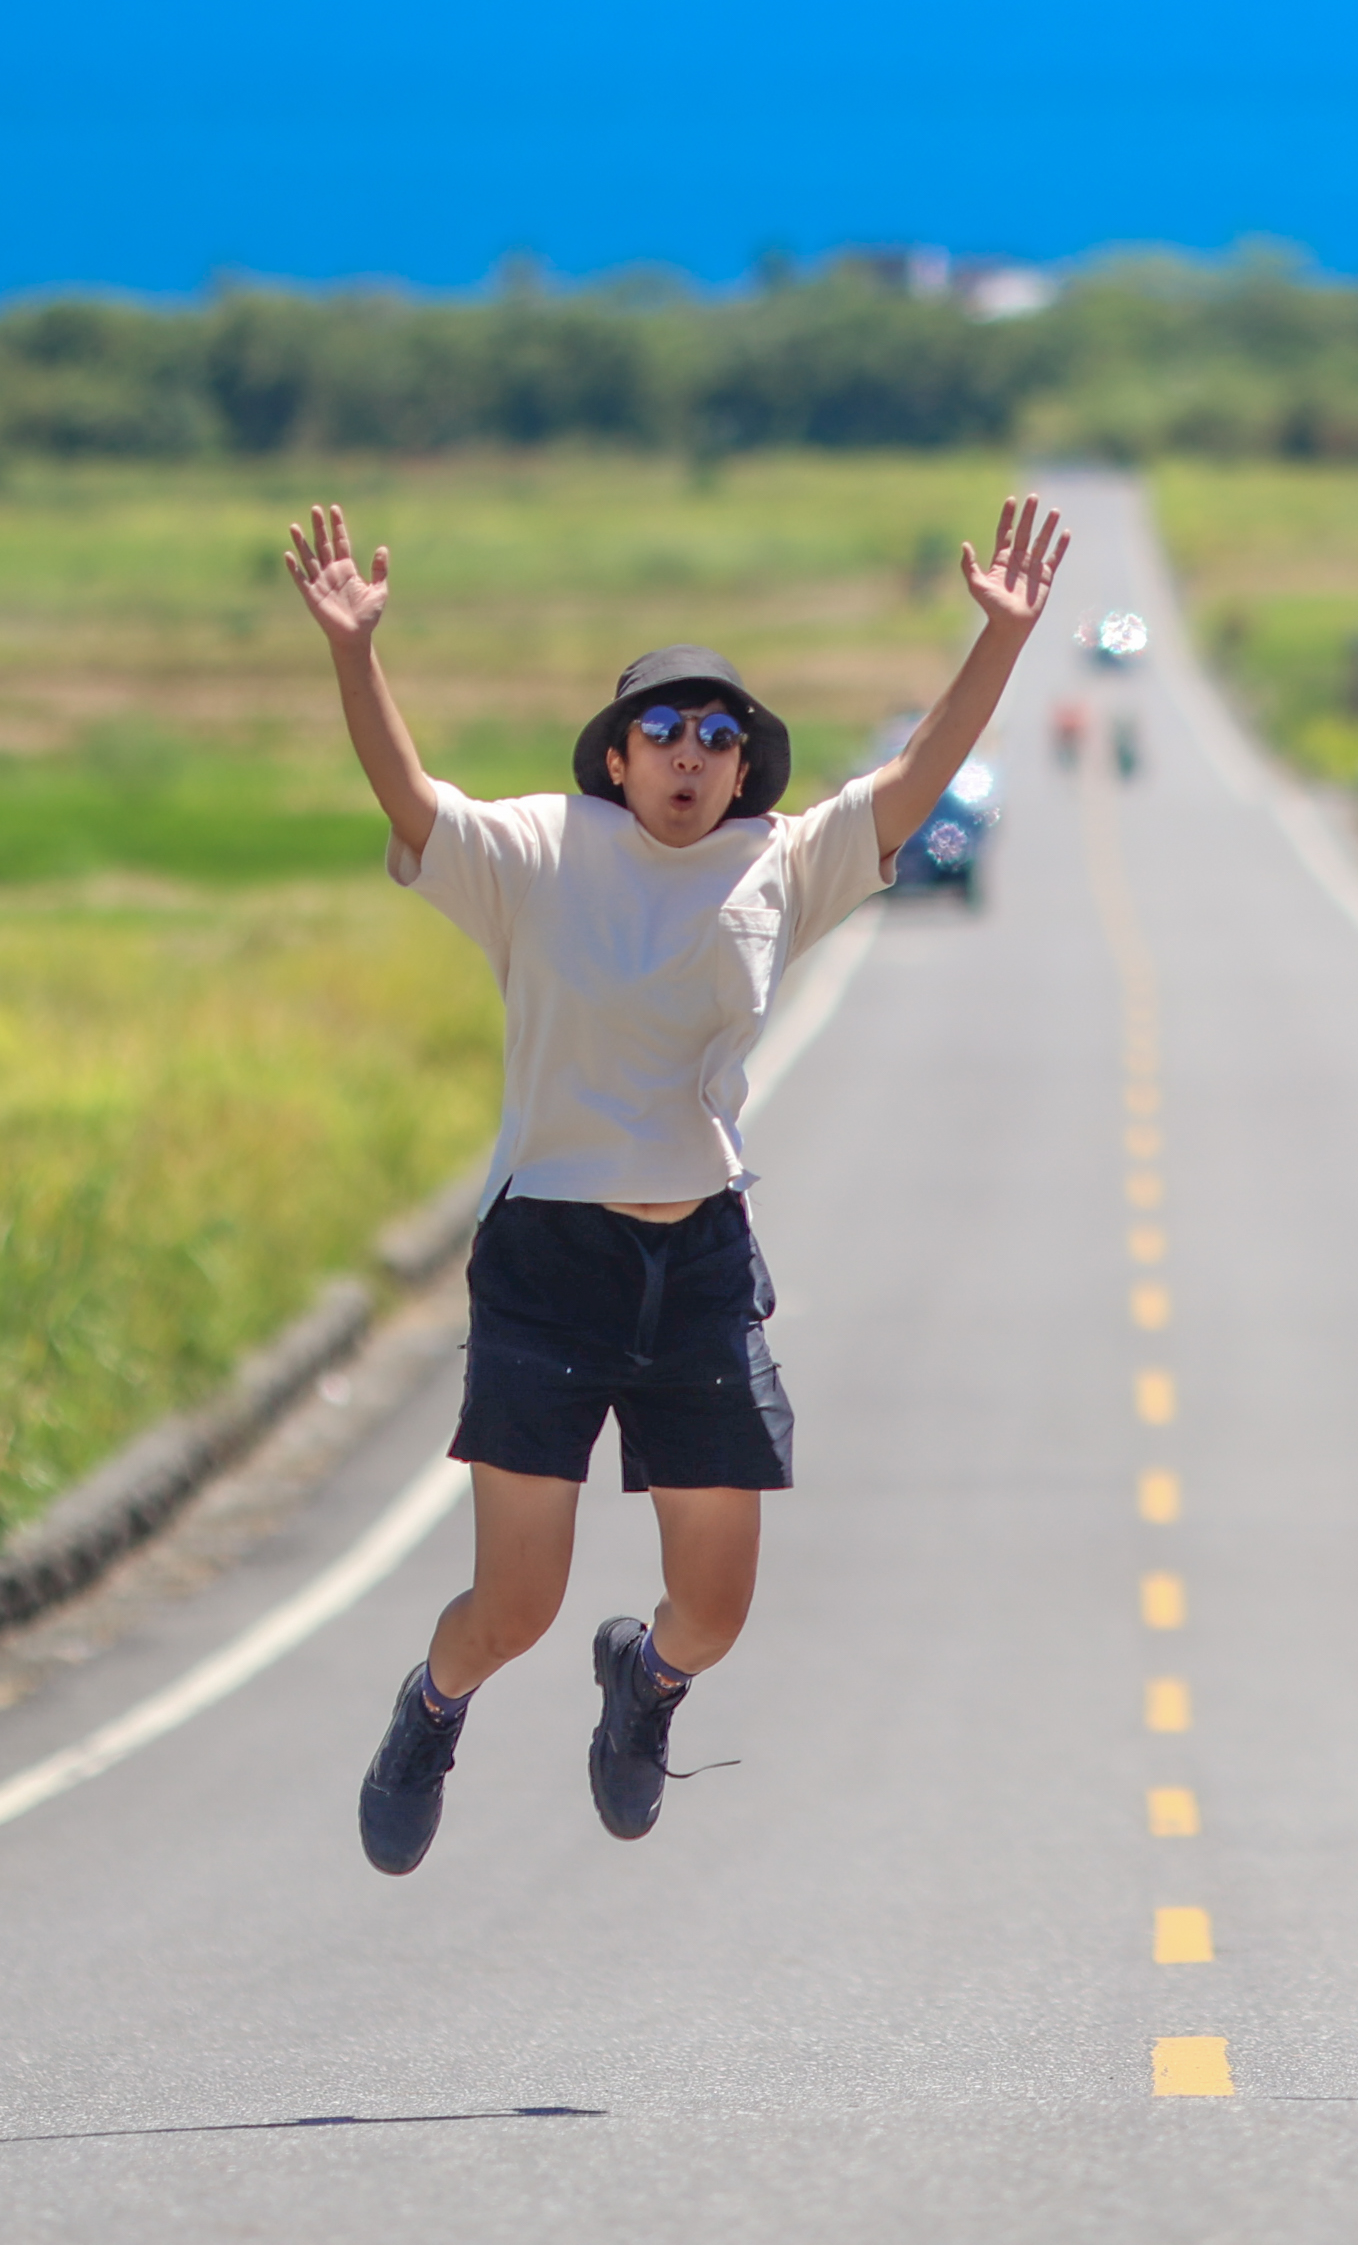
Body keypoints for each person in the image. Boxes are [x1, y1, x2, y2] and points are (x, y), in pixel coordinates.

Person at [282, 492, 1072, 1873]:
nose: (694, 757)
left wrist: (997, 642)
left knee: (713, 1612)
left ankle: (642, 1686)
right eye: (666, 732)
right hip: (547, 1255)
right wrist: (355, 650)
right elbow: (410, 797)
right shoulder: (535, 854)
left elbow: (917, 780)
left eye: (722, 738)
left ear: (745, 765)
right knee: (514, 1605)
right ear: (616, 753)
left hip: (697, 1260)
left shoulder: (780, 866)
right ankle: (433, 1705)